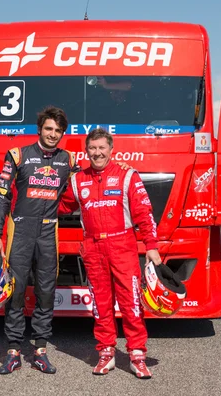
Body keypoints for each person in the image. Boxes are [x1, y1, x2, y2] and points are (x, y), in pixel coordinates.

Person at [58, 127, 162, 379]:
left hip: (122, 245)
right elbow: (59, 205)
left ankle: (137, 355)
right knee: (101, 305)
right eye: (92, 148)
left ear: (111, 150)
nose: (97, 153)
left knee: (131, 303)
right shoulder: (77, 179)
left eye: (102, 148)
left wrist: (152, 245)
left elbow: (144, 213)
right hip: (92, 248)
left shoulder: (127, 175)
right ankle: (106, 354)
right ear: (86, 151)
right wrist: (30, 194)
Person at [0, 105, 78, 375]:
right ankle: (14, 350)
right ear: (40, 128)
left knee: (46, 291)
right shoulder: (17, 155)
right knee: (15, 291)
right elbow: (2, 195)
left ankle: (40, 350)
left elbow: (87, 184)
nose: (53, 134)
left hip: (49, 231)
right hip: (20, 231)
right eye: (49, 128)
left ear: (62, 133)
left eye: (58, 131)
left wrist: (117, 165)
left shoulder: (69, 159)